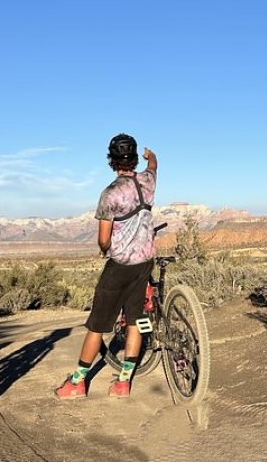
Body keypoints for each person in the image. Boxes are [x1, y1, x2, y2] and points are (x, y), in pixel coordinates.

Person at [55, 133, 158, 399]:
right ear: (134, 158)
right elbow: (154, 165)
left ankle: (77, 383)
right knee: (135, 319)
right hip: (144, 261)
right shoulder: (148, 181)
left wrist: (104, 250)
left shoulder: (110, 194)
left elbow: (103, 239)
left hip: (121, 263)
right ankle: (123, 383)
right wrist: (150, 156)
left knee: (98, 325)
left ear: (112, 162)